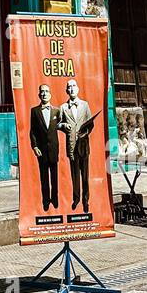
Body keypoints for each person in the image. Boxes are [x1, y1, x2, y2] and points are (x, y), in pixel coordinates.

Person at [57, 78, 97, 213]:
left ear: (78, 88)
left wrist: (84, 132)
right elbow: (58, 124)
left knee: (85, 176)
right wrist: (63, 125)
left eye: (74, 86)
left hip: (84, 146)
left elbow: (91, 123)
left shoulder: (85, 105)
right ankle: (76, 199)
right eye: (69, 87)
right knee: (75, 176)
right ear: (66, 90)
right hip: (72, 146)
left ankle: (86, 201)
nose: (72, 88)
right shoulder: (63, 107)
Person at [29, 84, 61, 211]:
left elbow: (62, 126)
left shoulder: (57, 111)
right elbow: (32, 131)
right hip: (41, 150)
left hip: (53, 149)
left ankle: (55, 200)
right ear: (39, 95)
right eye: (42, 92)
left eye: (47, 91)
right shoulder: (34, 111)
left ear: (50, 94)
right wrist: (35, 147)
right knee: (44, 178)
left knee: (54, 177)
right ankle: (46, 202)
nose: (44, 94)